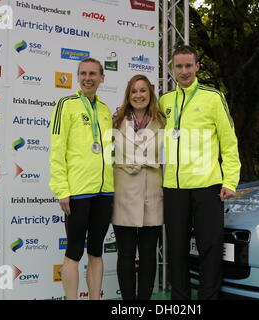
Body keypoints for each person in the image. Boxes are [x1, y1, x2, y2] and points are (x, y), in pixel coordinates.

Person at [158, 45, 241, 300]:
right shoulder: (165, 101)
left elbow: (229, 142)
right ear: (172, 69)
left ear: (197, 67)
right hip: (174, 187)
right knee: (177, 250)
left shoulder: (213, 97)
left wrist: (230, 181)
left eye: (188, 65)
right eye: (178, 66)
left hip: (208, 186)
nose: (183, 71)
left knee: (210, 248)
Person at [49, 58, 114, 300]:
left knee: (96, 251)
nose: (88, 78)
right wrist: (61, 189)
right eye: (83, 73)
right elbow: (57, 150)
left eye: (93, 74)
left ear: (102, 78)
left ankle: (95, 297)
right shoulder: (66, 104)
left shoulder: (106, 110)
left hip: (105, 191)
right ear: (78, 77)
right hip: (77, 192)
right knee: (74, 251)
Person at [112, 74, 166, 300]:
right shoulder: (115, 121)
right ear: (128, 95)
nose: (138, 95)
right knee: (125, 254)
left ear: (150, 94)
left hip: (151, 193)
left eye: (143, 90)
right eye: (134, 91)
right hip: (123, 193)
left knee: (148, 254)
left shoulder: (162, 122)